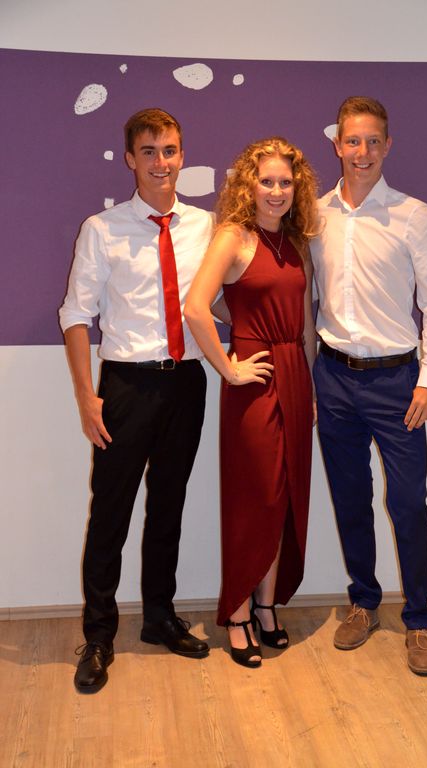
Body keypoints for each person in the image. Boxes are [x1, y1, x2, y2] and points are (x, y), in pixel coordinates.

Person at [59, 108, 214, 693]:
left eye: (169, 150)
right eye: (148, 151)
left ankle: (159, 617)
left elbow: (217, 301)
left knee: (168, 506)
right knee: (111, 513)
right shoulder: (102, 230)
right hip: (125, 386)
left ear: (183, 155)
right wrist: (86, 397)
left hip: (187, 383)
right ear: (130, 159)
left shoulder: (206, 226)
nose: (160, 162)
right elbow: (75, 315)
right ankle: (99, 635)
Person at [311, 97, 427, 676]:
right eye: (353, 140)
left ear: (387, 146)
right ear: (337, 145)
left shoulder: (414, 216)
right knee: (350, 498)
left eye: (373, 141)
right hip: (333, 378)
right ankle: (363, 603)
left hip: (398, 382)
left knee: (408, 504)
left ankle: (418, 621)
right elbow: (304, 298)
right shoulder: (314, 215)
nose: (363, 151)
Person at [184, 137, 320, 668]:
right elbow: (196, 306)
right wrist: (230, 365)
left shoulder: (296, 242)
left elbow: (305, 324)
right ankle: (237, 612)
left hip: (295, 375)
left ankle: (266, 607)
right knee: (255, 497)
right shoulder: (233, 236)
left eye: (286, 182)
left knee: (285, 498)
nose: (277, 191)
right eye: (267, 181)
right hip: (254, 383)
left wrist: (310, 387)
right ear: (249, 184)